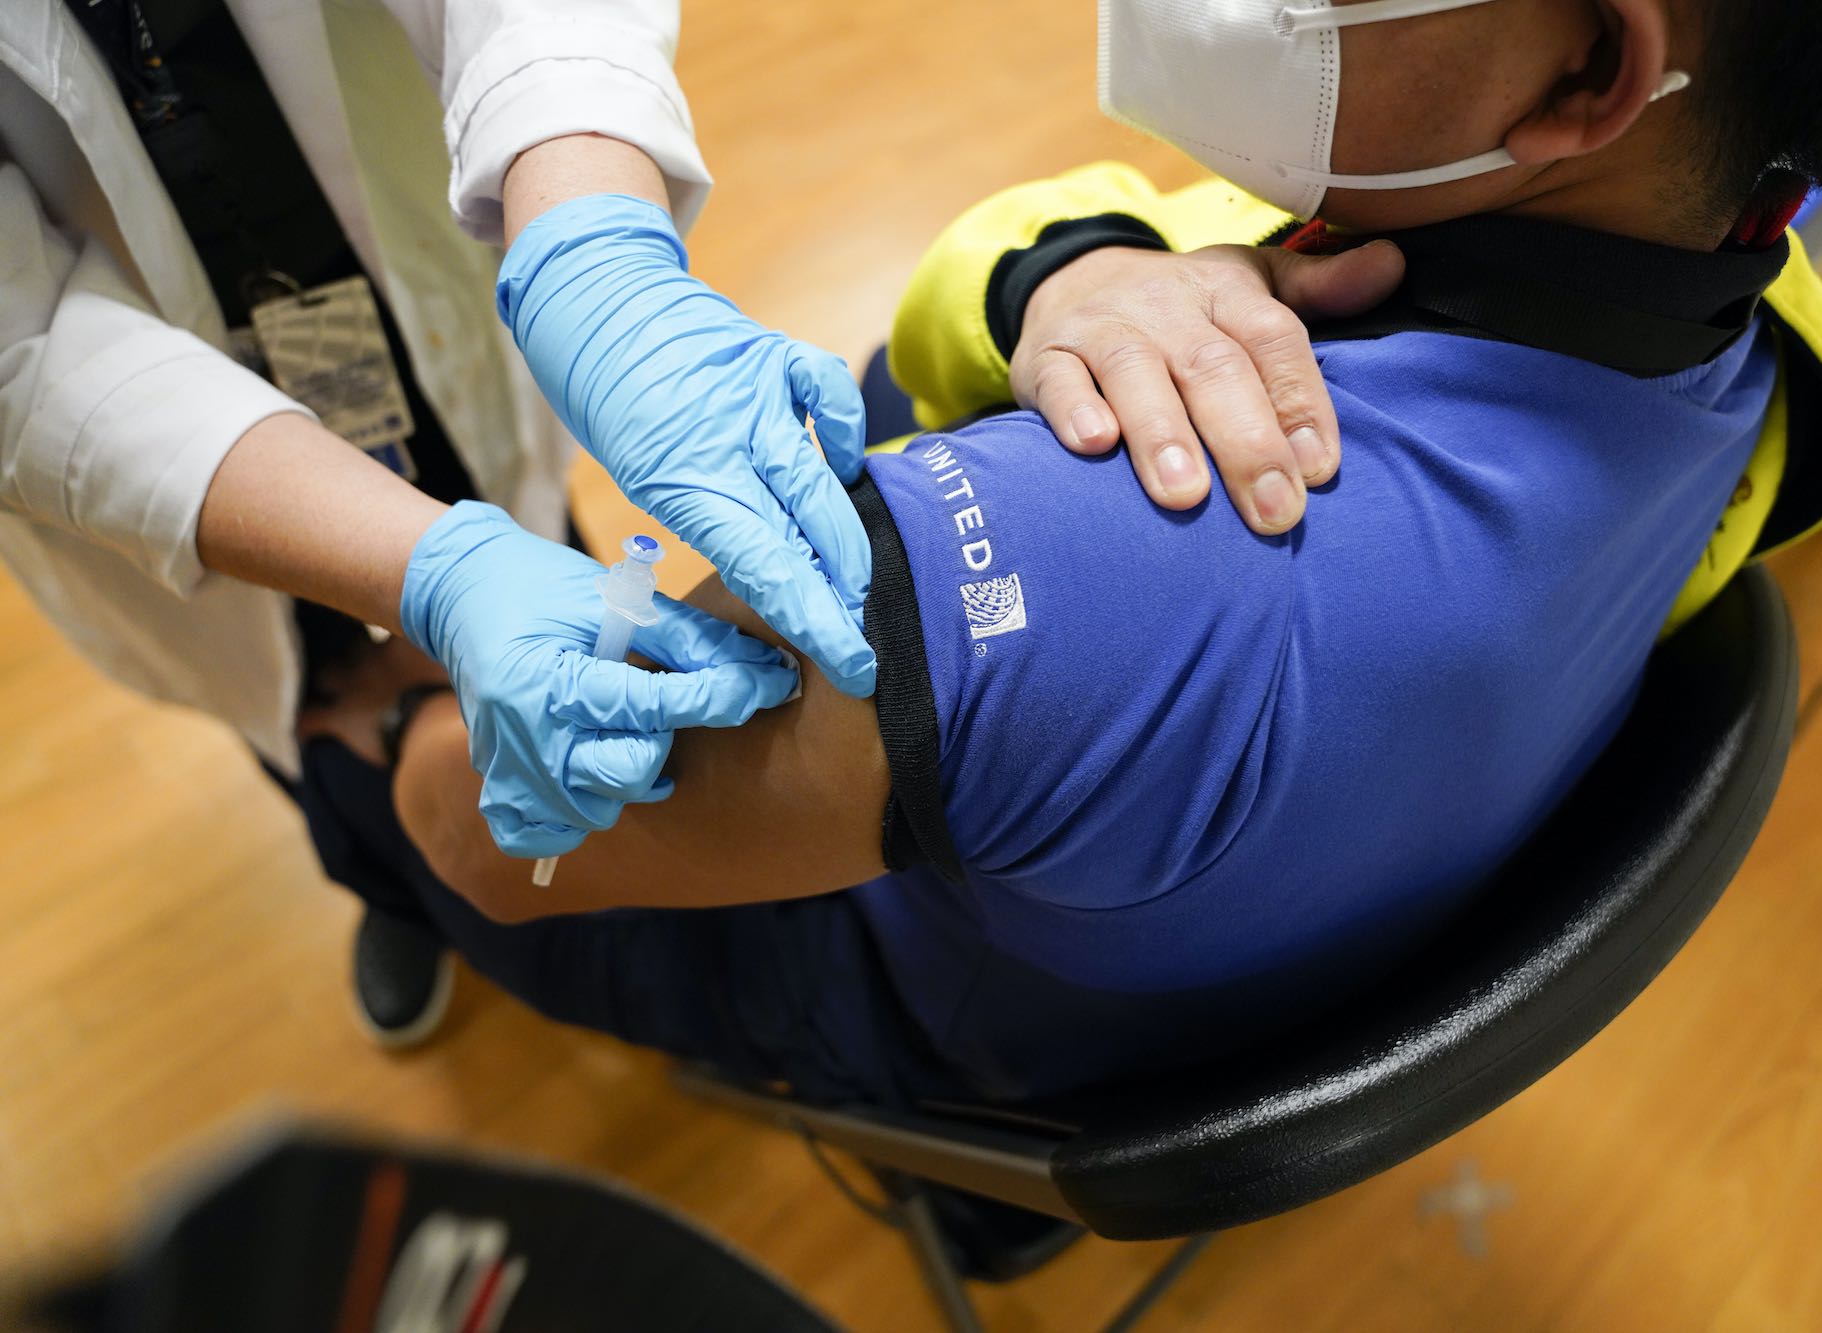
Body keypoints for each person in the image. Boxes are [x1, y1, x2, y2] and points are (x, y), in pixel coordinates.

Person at [357, 0, 1822, 1125]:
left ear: (1585, 71)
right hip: (1200, 904)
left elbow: (493, 831)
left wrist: (410, 612)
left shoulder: (1118, 559)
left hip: (902, 964)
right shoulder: (1756, 324)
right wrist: (1064, 263)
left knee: (370, 761)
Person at [0, 0, 1398, 1044]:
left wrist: (591, 249)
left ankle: (404, 770)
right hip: (136, 402)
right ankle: (369, 849)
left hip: (415, 282)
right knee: (332, 725)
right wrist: (429, 575)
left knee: (510, 639)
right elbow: (27, 343)